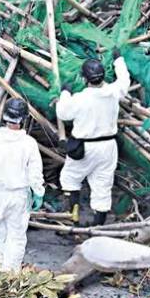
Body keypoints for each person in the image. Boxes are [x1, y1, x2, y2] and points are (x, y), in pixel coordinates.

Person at [56, 48, 130, 226]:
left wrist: (65, 92)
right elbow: (124, 81)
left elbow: (63, 113)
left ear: (84, 78)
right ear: (103, 76)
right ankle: (98, 226)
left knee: (70, 178)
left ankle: (73, 217)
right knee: (103, 184)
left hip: (85, 148)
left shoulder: (80, 98)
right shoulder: (113, 92)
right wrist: (118, 60)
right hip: (108, 147)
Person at [0, 98, 45, 271]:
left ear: (5, 116)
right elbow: (35, 172)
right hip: (18, 195)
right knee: (16, 235)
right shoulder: (29, 143)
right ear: (24, 118)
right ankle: (10, 275)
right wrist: (38, 192)